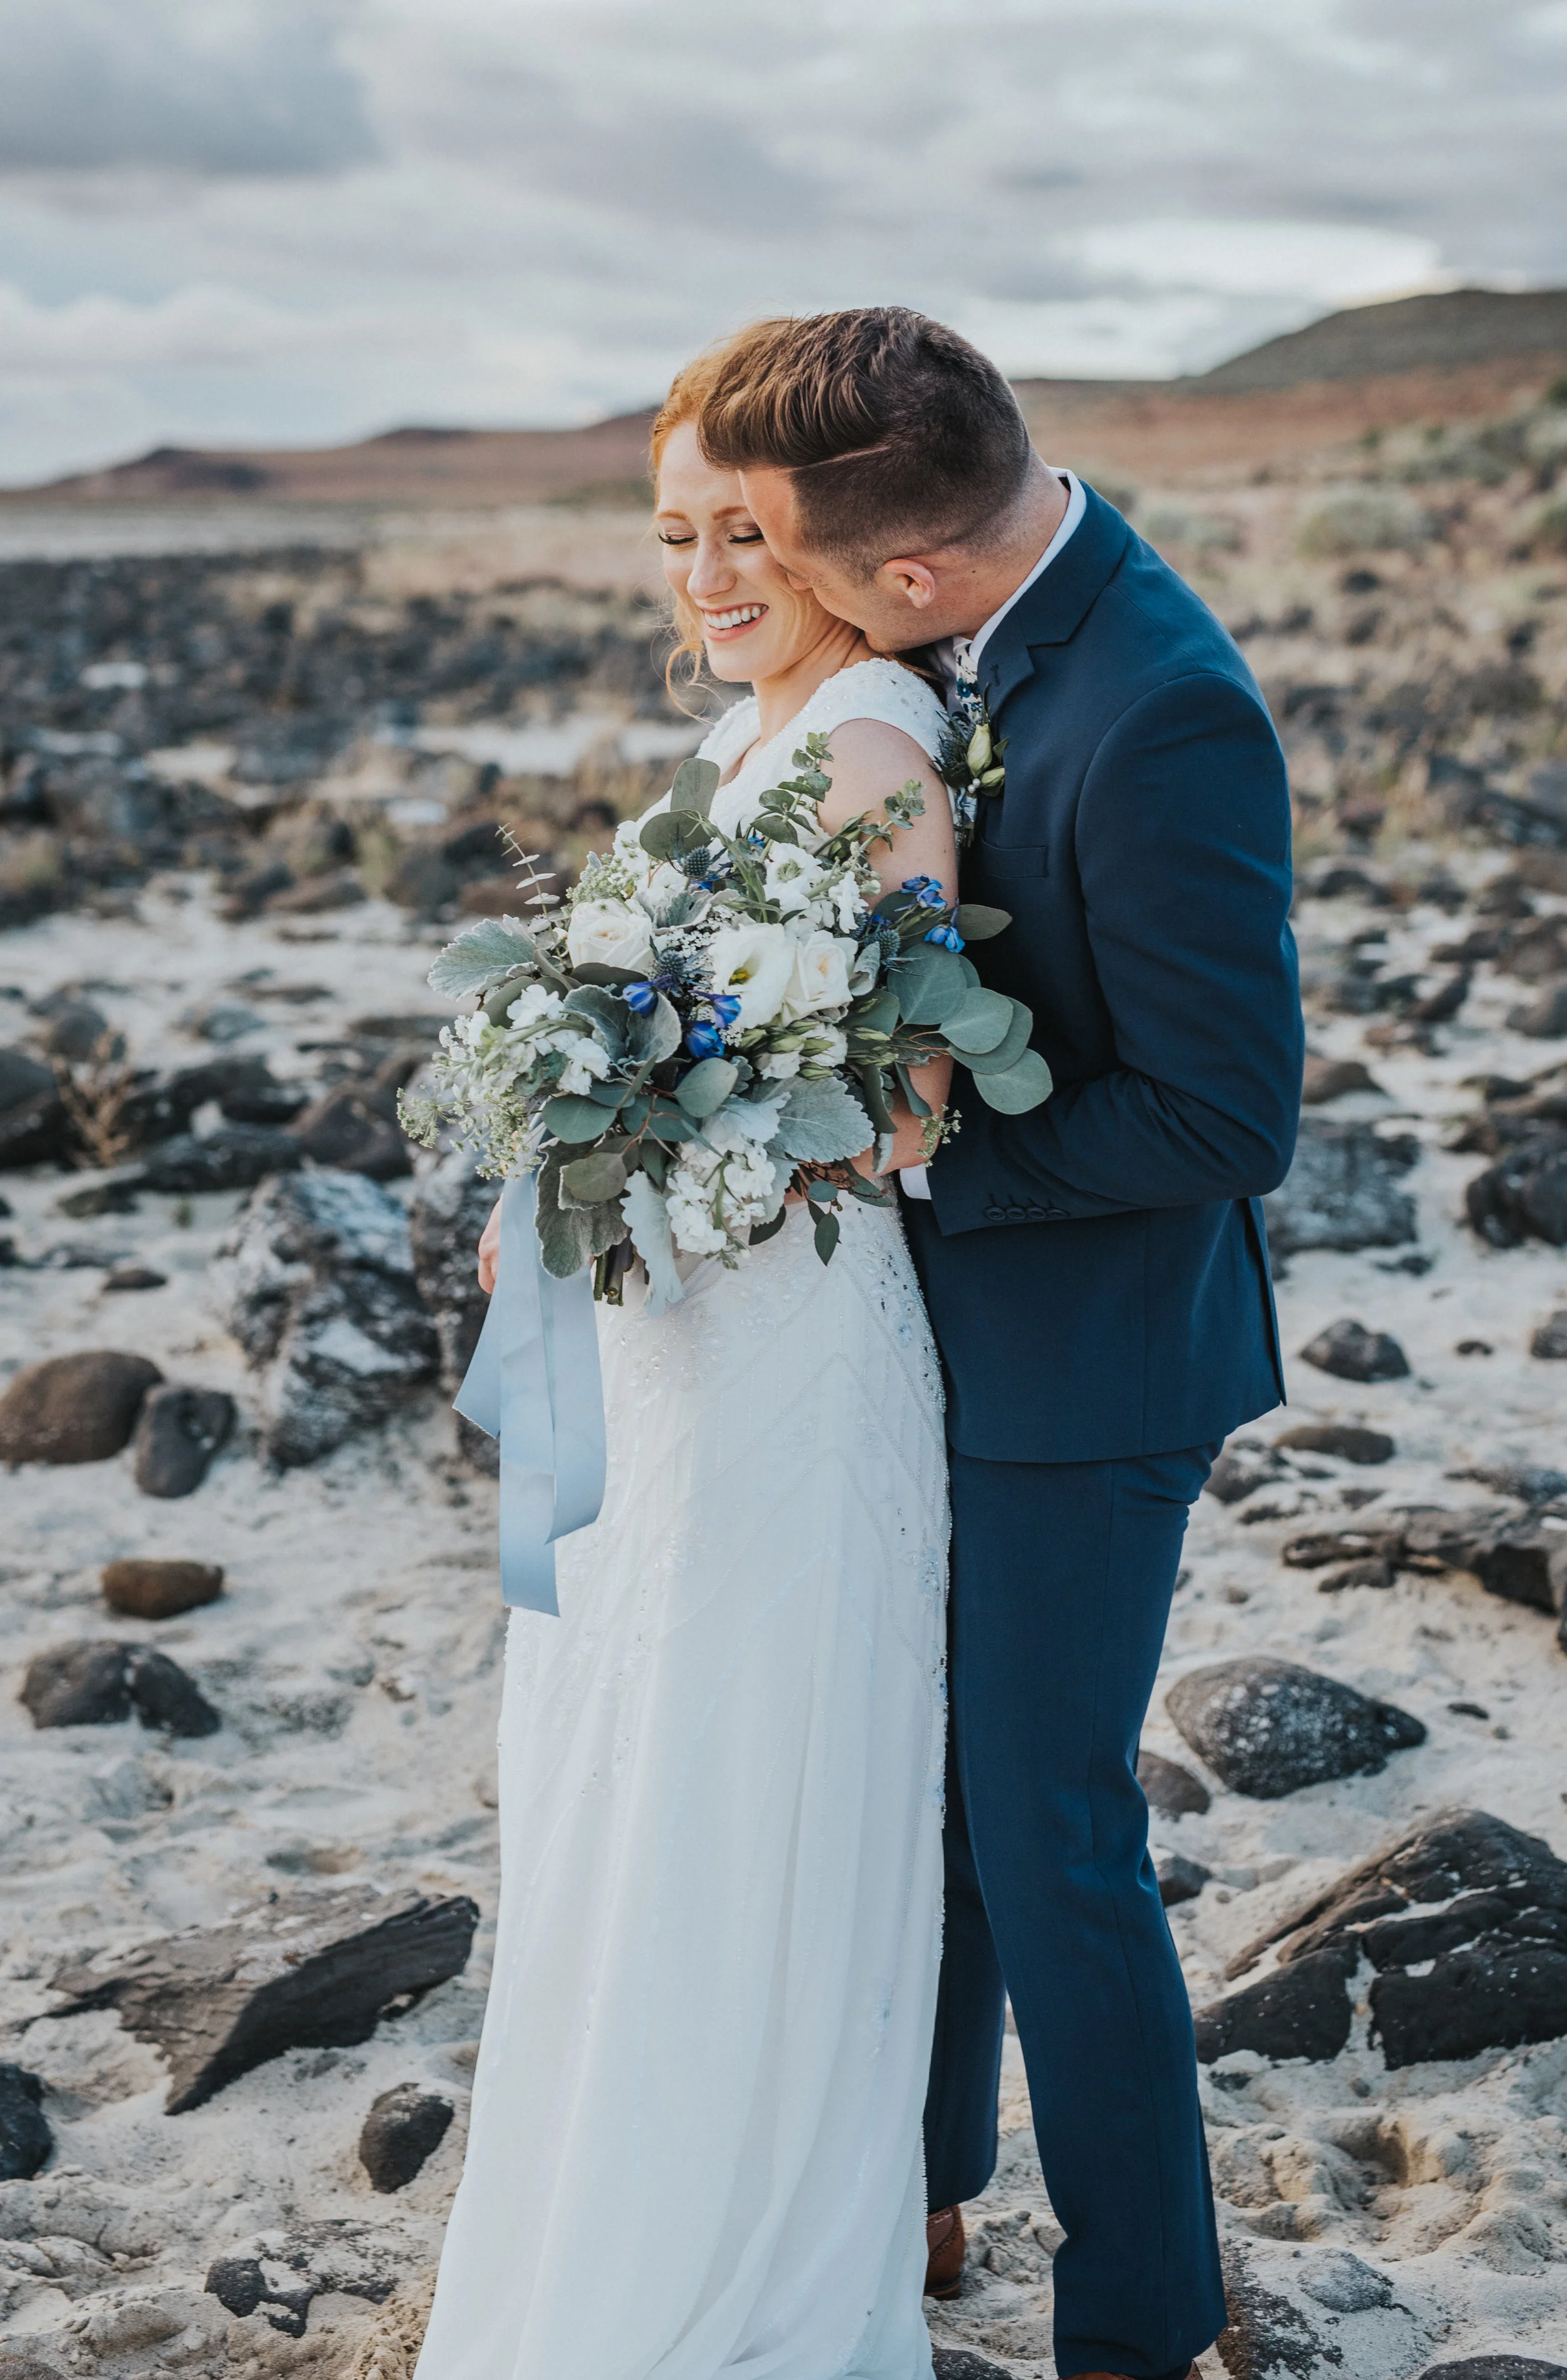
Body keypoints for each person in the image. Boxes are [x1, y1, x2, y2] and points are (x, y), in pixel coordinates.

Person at [696, 308, 1302, 2380]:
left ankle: (1140, 2318)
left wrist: (910, 1167)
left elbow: (1230, 1115)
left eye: (774, 547)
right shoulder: (950, 637)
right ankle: (930, 2181)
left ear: (915, 575)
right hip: (920, 1352)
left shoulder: (1161, 712)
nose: (746, 582)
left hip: (1093, 1373)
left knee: (1049, 1827)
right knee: (933, 1798)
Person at [415, 341, 962, 2380]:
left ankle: (720, 2259)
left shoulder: (878, 742)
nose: (708, 572)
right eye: (678, 534)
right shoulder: (759, 732)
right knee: (632, 1761)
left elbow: (903, 1105)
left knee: (736, 1778)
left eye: (746, 529)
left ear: (841, 533)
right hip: (679, 1350)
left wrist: (650, 1139)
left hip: (790, 1352)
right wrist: (568, 1137)